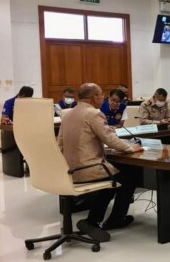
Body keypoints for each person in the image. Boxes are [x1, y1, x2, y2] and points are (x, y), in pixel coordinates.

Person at [57, 83, 143, 242]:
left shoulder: (68, 114)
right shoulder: (93, 113)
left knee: (116, 175)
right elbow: (110, 139)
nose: (103, 97)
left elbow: (60, 144)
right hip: (88, 169)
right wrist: (131, 148)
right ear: (94, 97)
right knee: (129, 177)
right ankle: (106, 219)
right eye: (101, 94)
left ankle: (98, 219)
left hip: (69, 170)